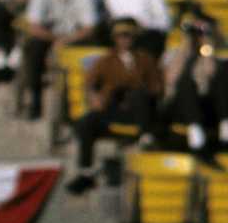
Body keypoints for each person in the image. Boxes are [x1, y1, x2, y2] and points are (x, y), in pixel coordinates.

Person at [66, 18, 163, 195]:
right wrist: (95, 97)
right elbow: (89, 84)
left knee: (139, 96)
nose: (125, 40)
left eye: (128, 36)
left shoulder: (145, 60)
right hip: (112, 108)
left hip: (138, 110)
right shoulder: (106, 60)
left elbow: (156, 87)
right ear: (115, 38)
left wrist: (139, 89)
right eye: (121, 36)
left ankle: (146, 136)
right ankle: (85, 172)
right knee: (87, 123)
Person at [19, 0, 98, 119]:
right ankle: (35, 98)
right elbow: (34, 26)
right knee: (33, 47)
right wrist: (56, 40)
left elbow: (90, 27)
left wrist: (65, 40)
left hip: (72, 39)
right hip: (48, 37)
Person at [159, 18, 228, 152]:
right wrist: (185, 48)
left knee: (221, 77)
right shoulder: (173, 53)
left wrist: (207, 46)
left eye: (200, 33)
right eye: (194, 33)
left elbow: (211, 72)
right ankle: (194, 128)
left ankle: (225, 124)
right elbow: (170, 78)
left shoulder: (213, 52)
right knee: (186, 82)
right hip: (179, 107)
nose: (196, 37)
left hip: (208, 106)